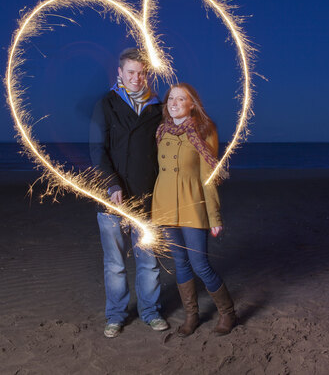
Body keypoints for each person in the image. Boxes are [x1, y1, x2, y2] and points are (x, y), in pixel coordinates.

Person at [89, 48, 169, 338]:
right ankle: (116, 315)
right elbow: (97, 150)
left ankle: (150, 312)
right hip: (112, 199)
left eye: (141, 72)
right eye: (131, 72)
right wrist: (111, 184)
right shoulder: (106, 105)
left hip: (147, 198)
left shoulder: (157, 108)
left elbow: (166, 151)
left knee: (149, 262)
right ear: (120, 73)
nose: (136, 78)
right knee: (115, 264)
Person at [151, 83, 236, 337]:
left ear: (192, 104)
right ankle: (192, 316)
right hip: (165, 206)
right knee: (180, 263)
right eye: (170, 99)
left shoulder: (203, 130)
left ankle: (228, 313)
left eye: (180, 99)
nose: (174, 103)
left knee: (200, 264)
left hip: (192, 204)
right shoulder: (161, 131)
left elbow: (208, 177)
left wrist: (214, 217)